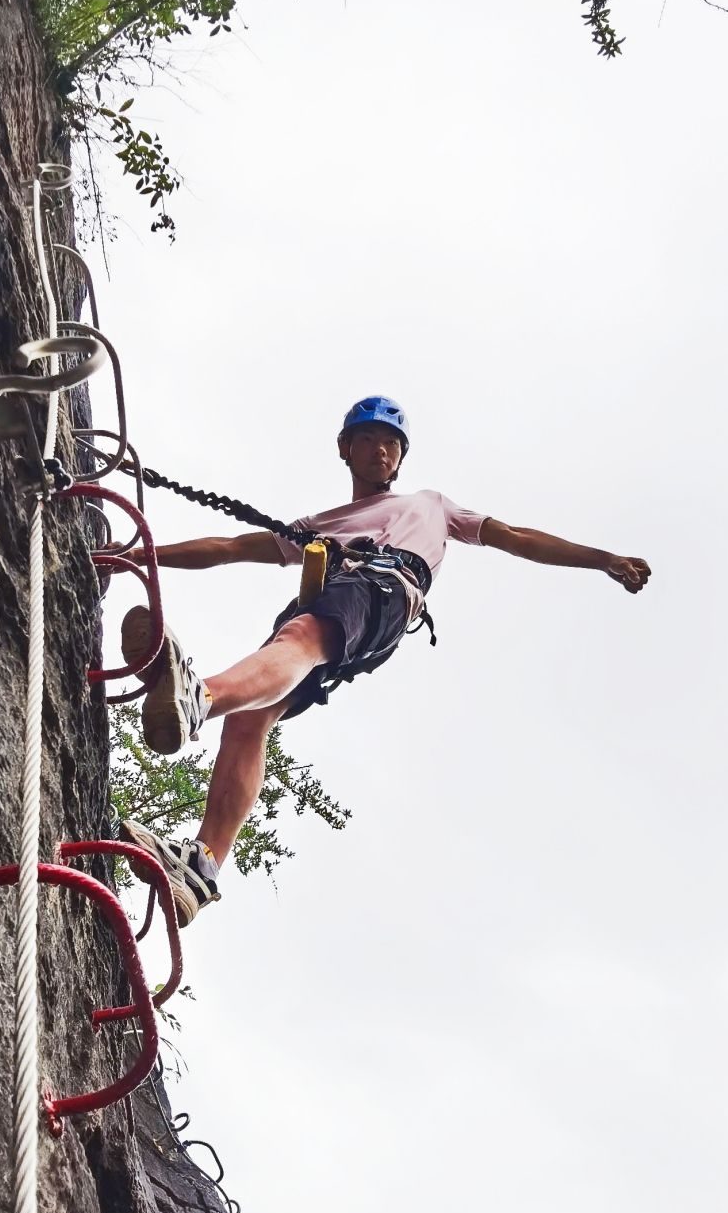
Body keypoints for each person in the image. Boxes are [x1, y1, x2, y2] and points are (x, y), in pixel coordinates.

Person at [119, 395, 650, 925]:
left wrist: (602, 560)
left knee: (300, 639)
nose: (382, 449)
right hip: (327, 589)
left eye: (392, 443)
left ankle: (199, 695)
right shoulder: (323, 522)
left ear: (401, 457)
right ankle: (203, 866)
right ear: (346, 450)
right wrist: (139, 556)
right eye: (370, 439)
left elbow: (515, 538)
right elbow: (232, 546)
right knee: (251, 716)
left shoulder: (433, 505)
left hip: (383, 586)